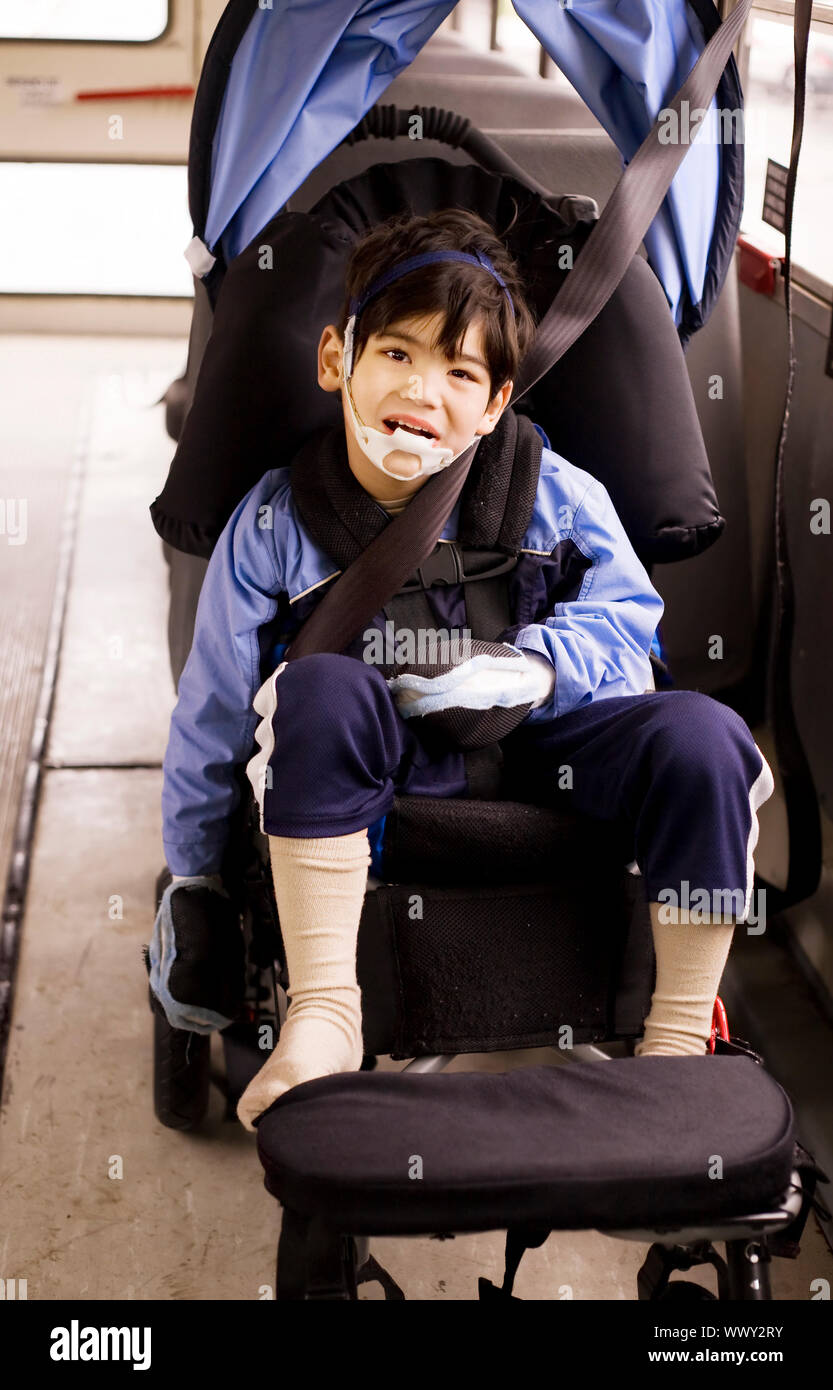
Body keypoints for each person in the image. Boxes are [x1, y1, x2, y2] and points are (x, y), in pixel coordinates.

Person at [149, 208, 775, 1133]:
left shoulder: (555, 494)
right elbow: (211, 712)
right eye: (396, 354)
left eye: (459, 371)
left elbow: (628, 618)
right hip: (368, 788)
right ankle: (325, 1011)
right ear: (336, 360)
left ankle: (678, 1036)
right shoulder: (278, 523)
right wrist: (194, 878)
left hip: (549, 761)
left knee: (703, 736)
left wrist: (535, 668)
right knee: (317, 689)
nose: (423, 390)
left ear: (494, 403)